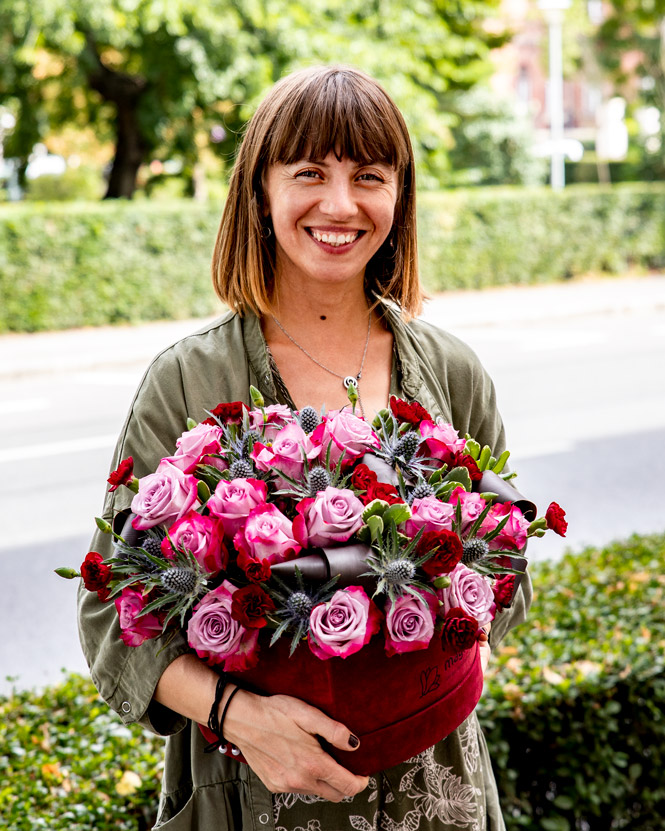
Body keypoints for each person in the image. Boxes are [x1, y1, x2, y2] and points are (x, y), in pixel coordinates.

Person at [78, 64, 532, 831]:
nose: (340, 203)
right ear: (260, 189)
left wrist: (443, 633)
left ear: (400, 196)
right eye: (309, 173)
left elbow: (506, 578)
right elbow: (107, 610)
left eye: (369, 175)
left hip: (438, 794)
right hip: (252, 796)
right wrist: (239, 715)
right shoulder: (189, 380)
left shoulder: (450, 371)